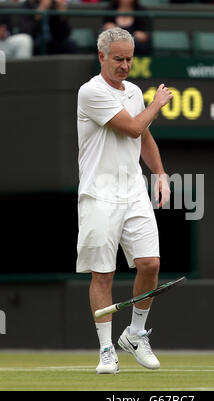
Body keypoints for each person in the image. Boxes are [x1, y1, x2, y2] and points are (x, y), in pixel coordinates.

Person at [76, 27, 173, 374]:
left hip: (133, 192)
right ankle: (106, 350)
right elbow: (133, 128)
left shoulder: (132, 91)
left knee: (150, 264)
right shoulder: (90, 92)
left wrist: (160, 173)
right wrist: (157, 105)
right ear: (101, 57)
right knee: (102, 274)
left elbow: (143, 137)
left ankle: (134, 334)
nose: (125, 65)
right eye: (118, 59)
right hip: (98, 193)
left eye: (129, 59)